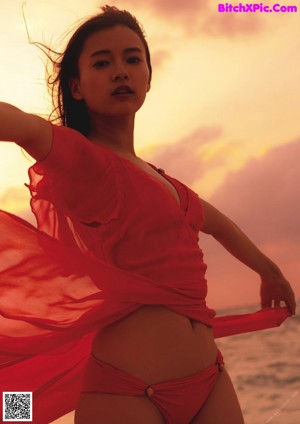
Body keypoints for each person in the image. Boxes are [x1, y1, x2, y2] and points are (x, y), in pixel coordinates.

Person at [0, 5, 296, 424]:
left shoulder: (167, 184)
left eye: (132, 59)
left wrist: (269, 271)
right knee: (15, 407)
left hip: (208, 379)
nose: (120, 70)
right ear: (77, 87)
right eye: (102, 62)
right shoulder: (83, 159)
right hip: (130, 389)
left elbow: (221, 226)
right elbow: (19, 124)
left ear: (148, 78)